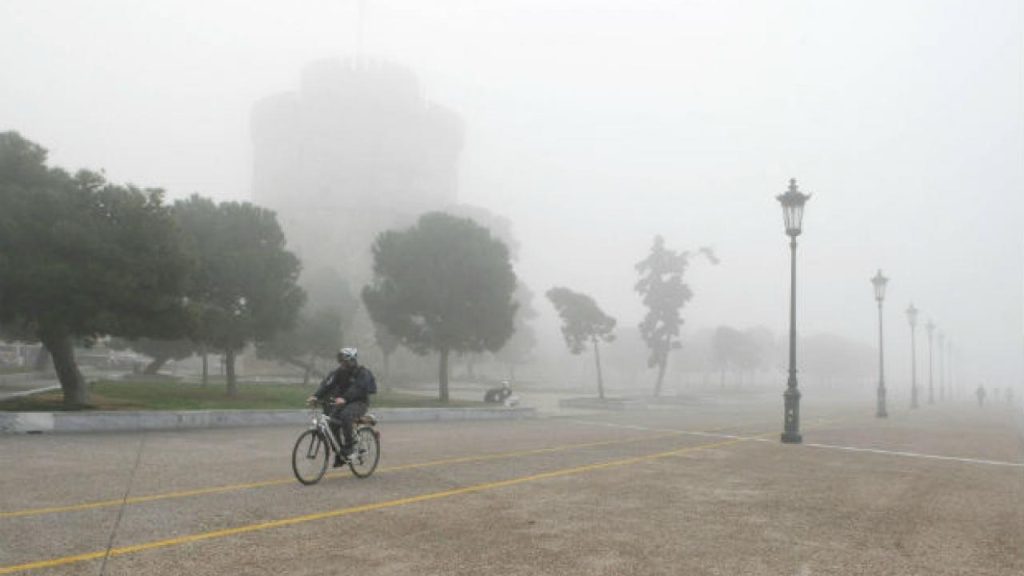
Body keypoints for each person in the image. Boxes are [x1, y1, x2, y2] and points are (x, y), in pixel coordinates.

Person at [307, 347, 372, 467]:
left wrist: (345, 398)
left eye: (344, 361)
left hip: (359, 403)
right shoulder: (338, 372)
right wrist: (316, 396)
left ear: (351, 360)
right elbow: (327, 384)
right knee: (331, 423)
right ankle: (340, 453)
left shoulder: (362, 373)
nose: (341, 363)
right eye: (340, 361)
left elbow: (357, 388)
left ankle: (350, 448)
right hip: (343, 402)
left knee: (346, 416)